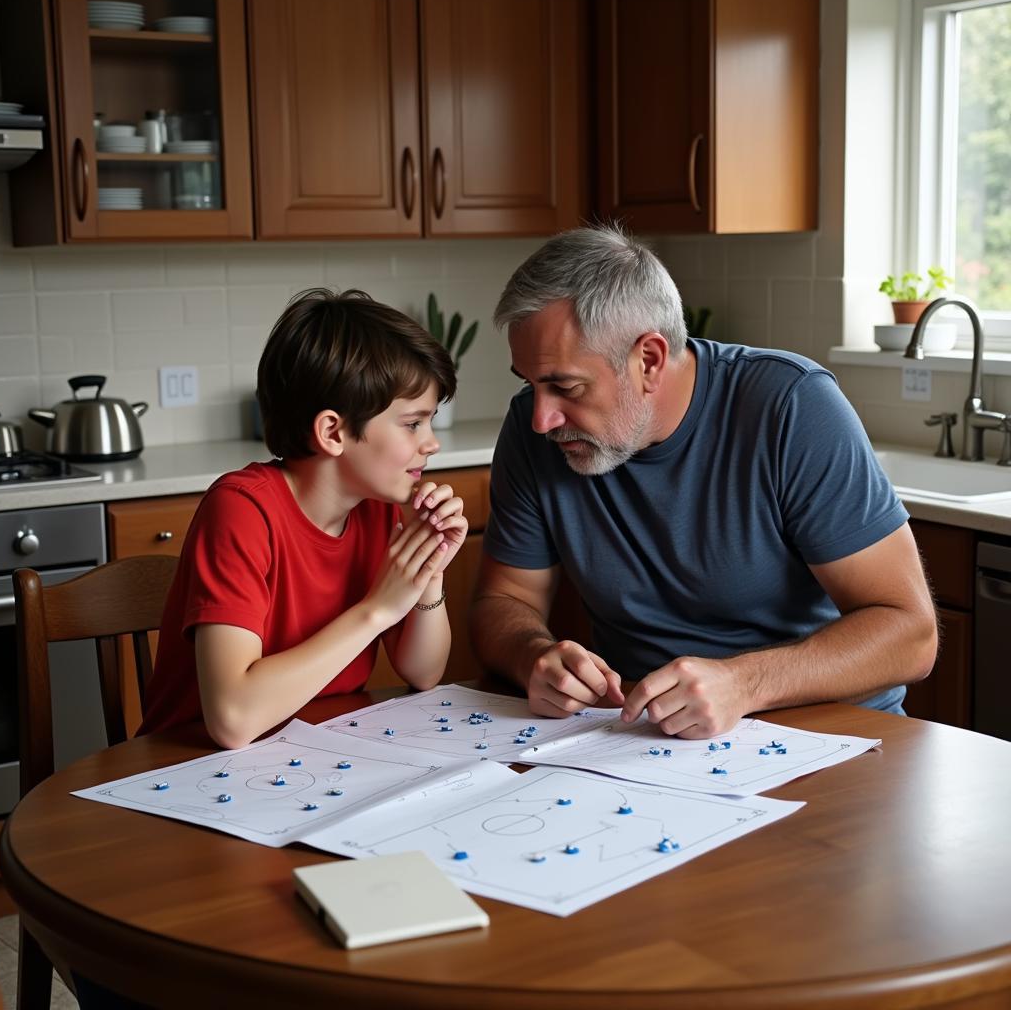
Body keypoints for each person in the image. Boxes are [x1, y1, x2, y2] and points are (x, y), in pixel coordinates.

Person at [470, 225, 937, 738]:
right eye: (530, 384)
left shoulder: (791, 407)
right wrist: (534, 656)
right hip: (645, 742)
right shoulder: (533, 432)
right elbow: (503, 601)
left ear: (648, 359)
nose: (541, 418)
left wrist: (744, 684)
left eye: (565, 386)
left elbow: (910, 634)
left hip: (830, 734)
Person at [140, 288, 468, 747]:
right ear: (332, 431)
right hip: (189, 770)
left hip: (312, 756)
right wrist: (377, 610)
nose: (431, 443)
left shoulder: (378, 508)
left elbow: (424, 671)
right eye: (413, 423)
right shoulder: (242, 510)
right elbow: (232, 720)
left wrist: (427, 570)